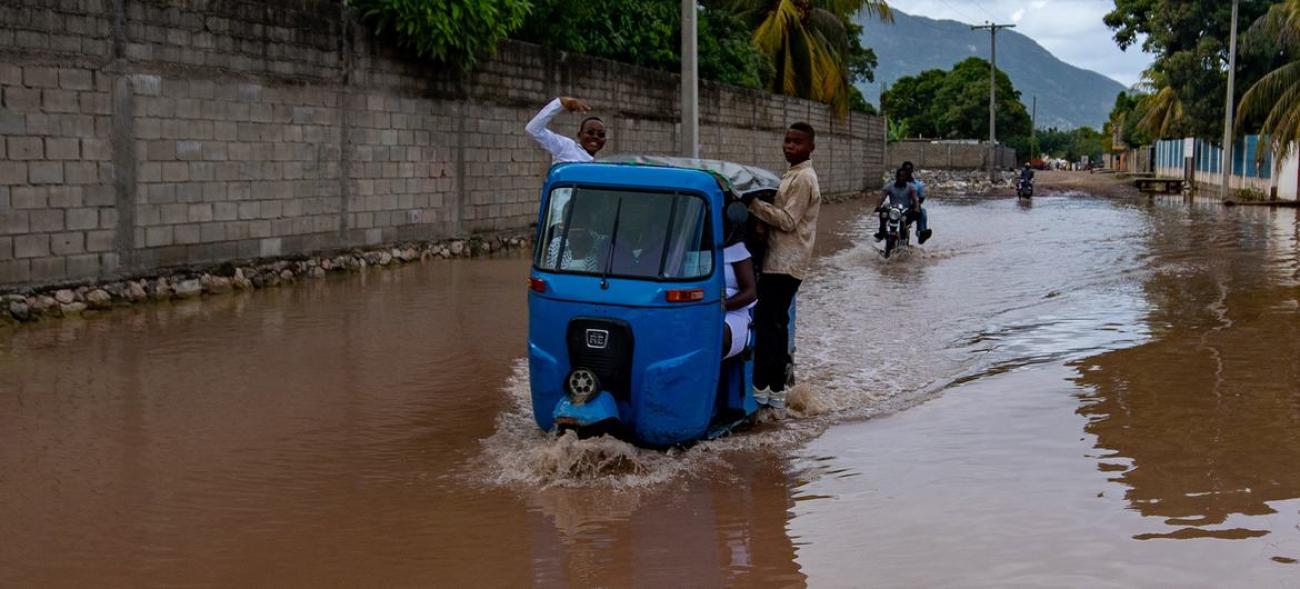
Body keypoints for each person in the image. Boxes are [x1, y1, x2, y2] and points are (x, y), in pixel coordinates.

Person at [743, 123, 821, 410]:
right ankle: (774, 392)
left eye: (797, 142)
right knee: (775, 324)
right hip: (780, 260)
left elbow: (788, 221)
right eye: (787, 141)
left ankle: (766, 389)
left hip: (786, 262)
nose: (790, 146)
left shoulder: (803, 179)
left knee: (769, 324)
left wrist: (752, 205)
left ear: (811, 147)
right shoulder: (792, 174)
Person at [526, 96, 607, 164]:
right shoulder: (567, 147)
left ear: (605, 140)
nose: (595, 136)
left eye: (601, 134)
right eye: (590, 132)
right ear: (579, 135)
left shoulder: (596, 164)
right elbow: (533, 129)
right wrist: (560, 103)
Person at [722, 225, 758, 360]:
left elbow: (751, 293)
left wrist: (720, 306)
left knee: (715, 333)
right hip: (695, 311)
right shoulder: (683, 247)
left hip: (733, 313)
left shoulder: (736, 249)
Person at [873, 168, 920, 241]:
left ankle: (903, 240)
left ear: (906, 177)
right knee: (883, 214)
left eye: (903, 176)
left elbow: (915, 199)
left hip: (905, 210)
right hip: (893, 210)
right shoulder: (890, 186)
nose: (901, 178)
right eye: (899, 176)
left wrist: (916, 209)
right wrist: (878, 206)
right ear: (896, 177)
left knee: (904, 219)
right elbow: (882, 197)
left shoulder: (911, 187)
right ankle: (881, 233)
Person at [901, 161, 932, 244]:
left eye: (909, 170)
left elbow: (921, 198)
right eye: (905, 170)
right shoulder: (897, 183)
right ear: (902, 171)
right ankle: (882, 233)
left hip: (911, 209)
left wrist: (915, 206)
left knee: (922, 212)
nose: (907, 171)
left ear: (912, 171)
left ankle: (921, 233)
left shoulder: (918, 185)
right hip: (898, 209)